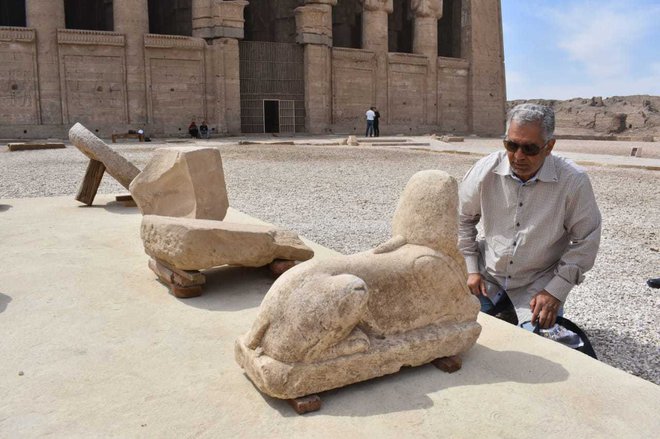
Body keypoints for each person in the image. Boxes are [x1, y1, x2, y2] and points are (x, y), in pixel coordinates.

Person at [458, 103, 602, 328]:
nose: (518, 156)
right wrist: (471, 269)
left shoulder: (573, 181)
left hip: (537, 286)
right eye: (511, 145)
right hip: (488, 279)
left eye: (529, 149)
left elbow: (586, 240)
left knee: (539, 346)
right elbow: (463, 218)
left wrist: (556, 290)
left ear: (549, 146)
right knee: (456, 325)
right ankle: (502, 306)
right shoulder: (484, 171)